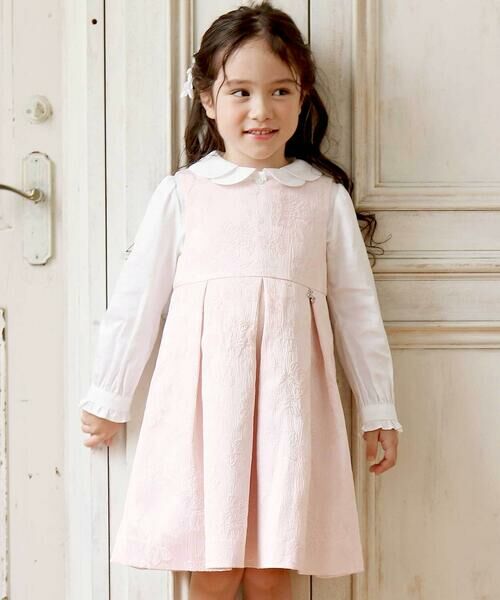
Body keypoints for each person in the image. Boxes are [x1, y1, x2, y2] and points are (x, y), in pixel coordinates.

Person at [79, 1, 403, 598]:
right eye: (241, 92)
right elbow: (137, 301)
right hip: (205, 411)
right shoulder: (184, 193)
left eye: (280, 91)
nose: (261, 111)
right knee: (214, 568)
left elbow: (358, 312)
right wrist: (109, 394)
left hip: (288, 409)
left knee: (272, 569)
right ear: (208, 99)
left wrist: (379, 408)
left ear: (303, 97)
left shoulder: (322, 197)